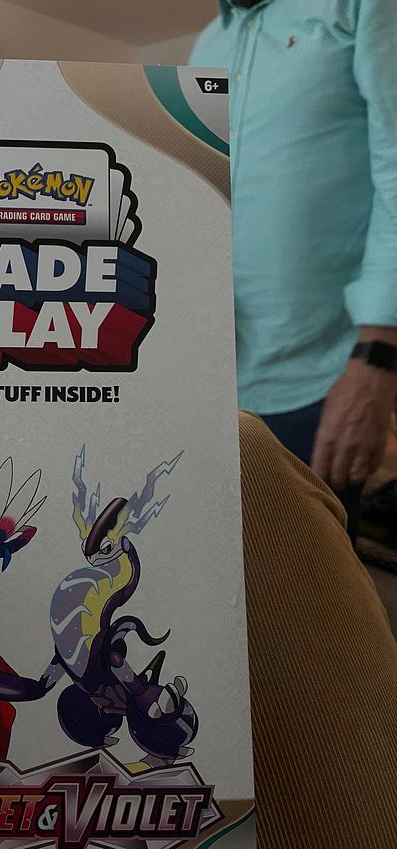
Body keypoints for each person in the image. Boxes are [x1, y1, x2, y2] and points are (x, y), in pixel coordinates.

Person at [0, 421, 397, 847]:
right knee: (243, 449)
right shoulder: (99, 660)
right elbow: (41, 672)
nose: (146, 690)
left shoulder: (86, 665)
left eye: (149, 704)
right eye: (159, 699)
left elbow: (28, 682)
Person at [190, 0, 397, 540]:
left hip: (319, 382)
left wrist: (378, 359)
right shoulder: (207, 43)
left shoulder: (361, 7)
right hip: (208, 378)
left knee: (306, 580)